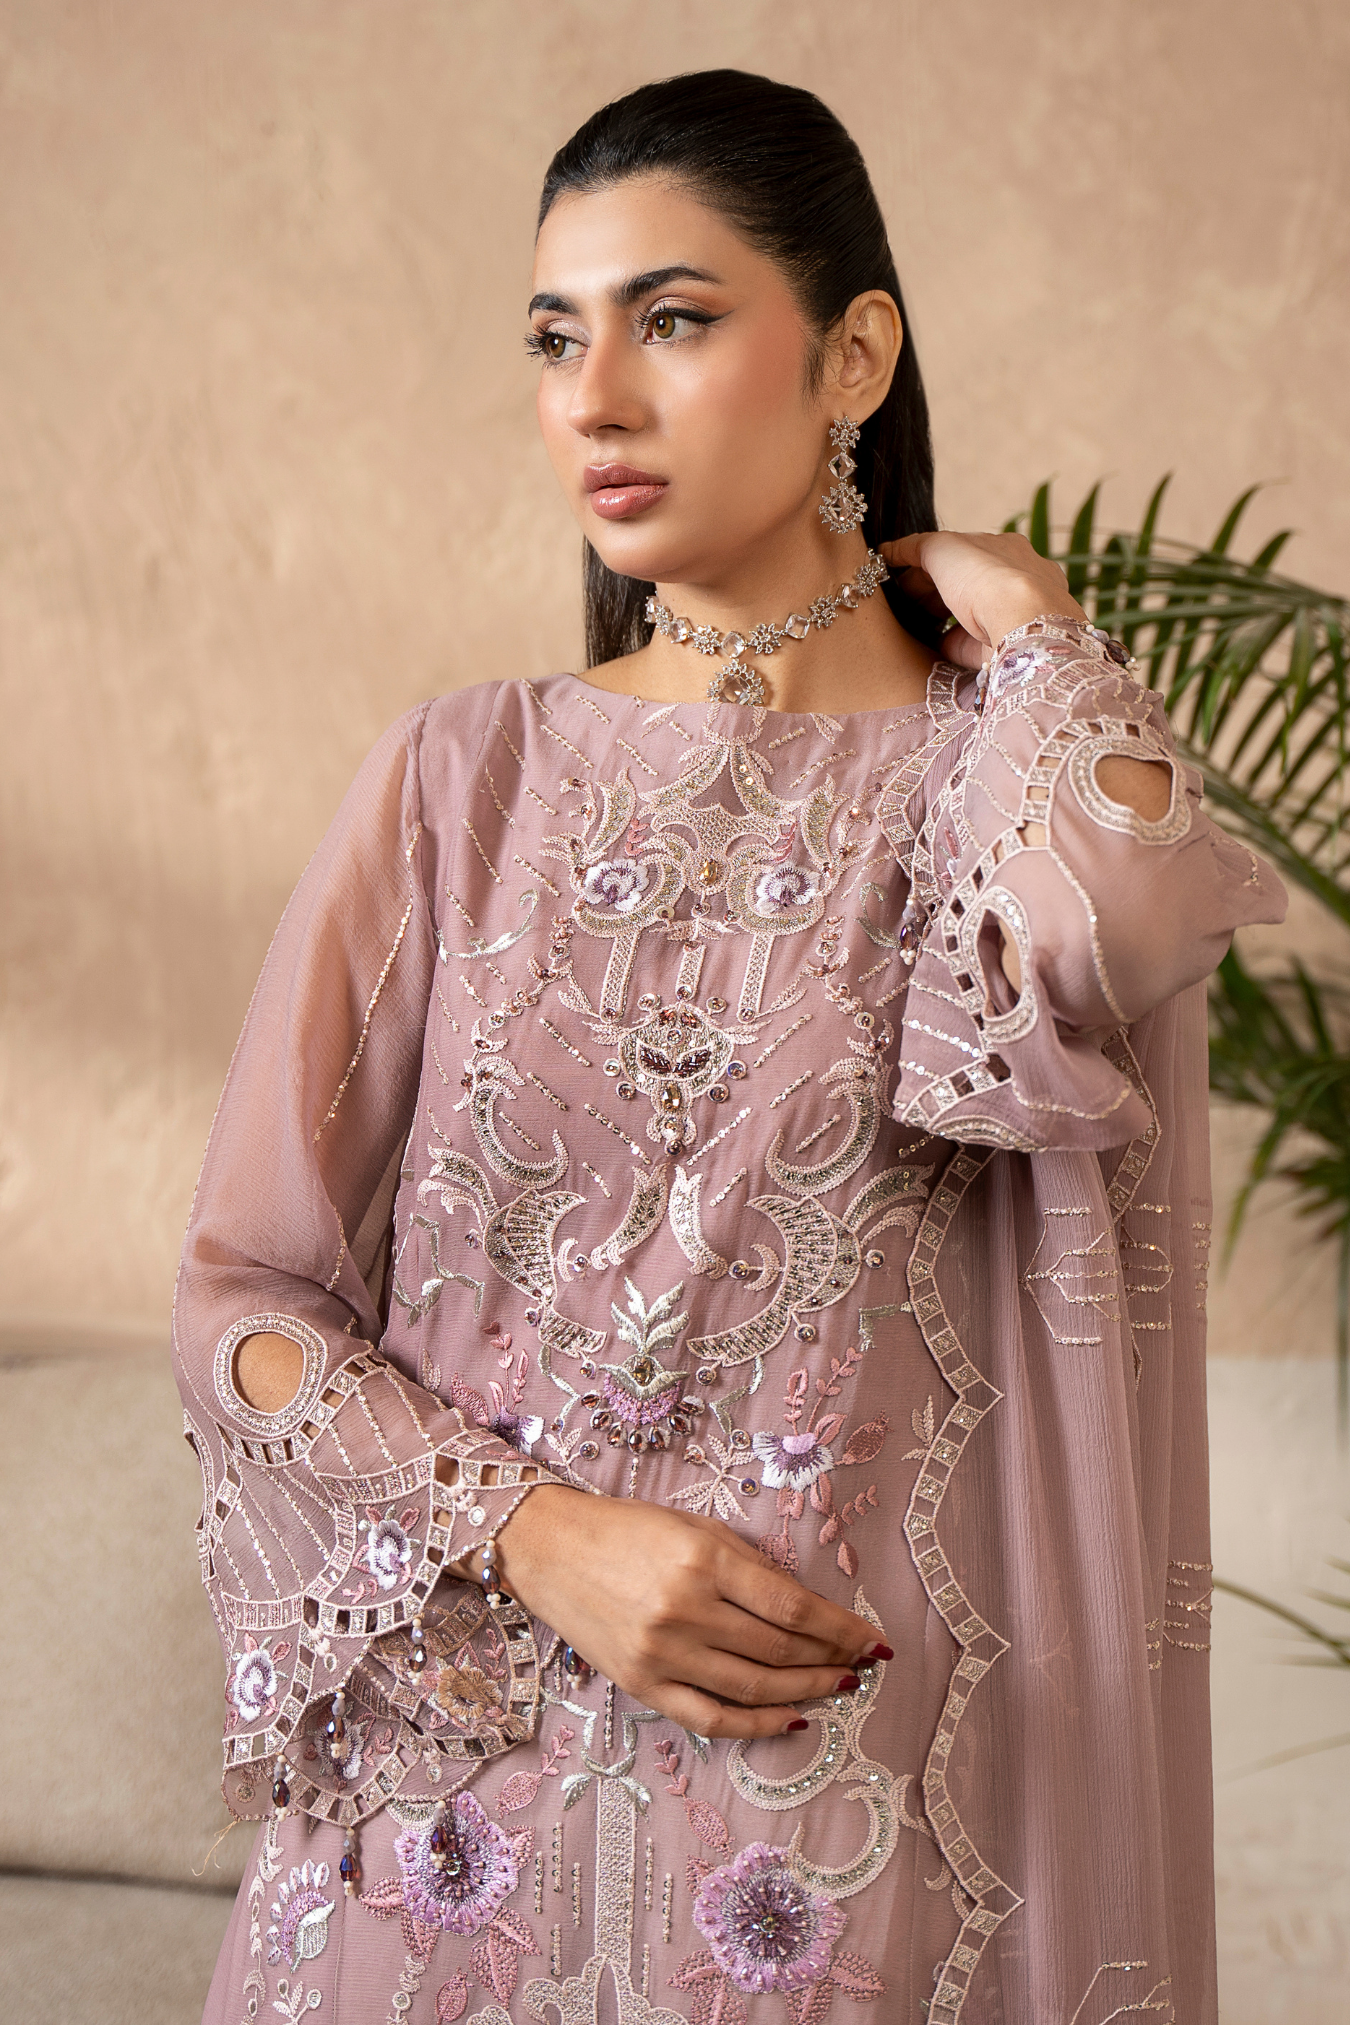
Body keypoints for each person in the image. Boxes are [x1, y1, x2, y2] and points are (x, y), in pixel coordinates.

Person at [174, 70, 1284, 2025]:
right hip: (454, 1832)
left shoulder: (985, 791)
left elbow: (1118, 927)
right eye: (555, 338)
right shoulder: (462, 782)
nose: (594, 398)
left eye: (670, 320)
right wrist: (543, 1536)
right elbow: (243, 1305)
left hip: (835, 1843)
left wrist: (1034, 630)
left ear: (854, 355)